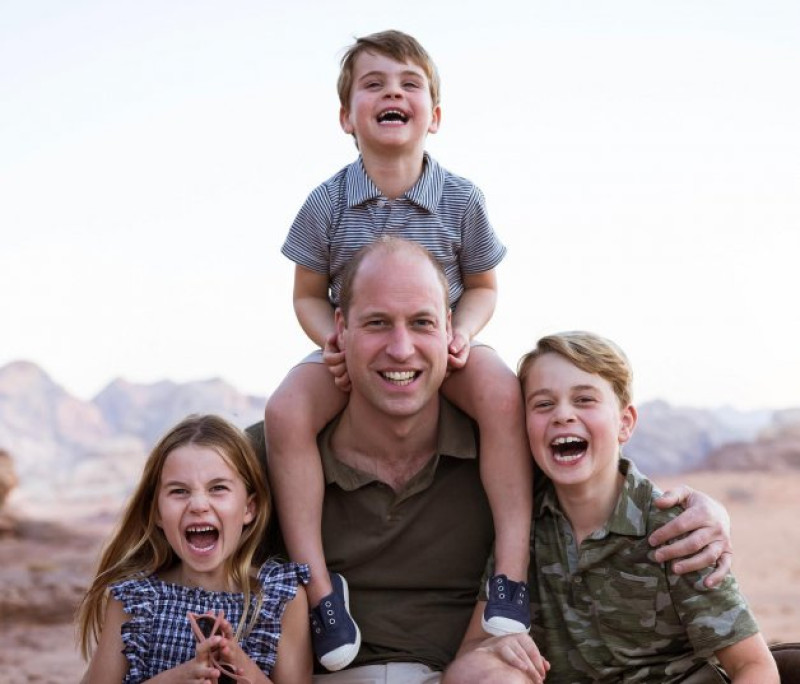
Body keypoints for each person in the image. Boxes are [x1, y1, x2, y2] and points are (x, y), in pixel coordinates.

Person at [250, 237, 735, 683]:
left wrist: (709, 512)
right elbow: (188, 505)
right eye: (377, 323)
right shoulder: (273, 454)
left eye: (422, 323)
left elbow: (597, 485)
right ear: (341, 329)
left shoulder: (506, 453)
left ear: (451, 332)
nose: (401, 348)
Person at [264, 29, 533, 671]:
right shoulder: (327, 202)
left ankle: (512, 573)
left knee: (501, 391)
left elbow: (484, 285)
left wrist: (462, 331)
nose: (393, 93)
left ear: (434, 116)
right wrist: (327, 336)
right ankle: (323, 592)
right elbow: (305, 293)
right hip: (354, 348)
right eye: (374, 84)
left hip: (441, 344)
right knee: (285, 412)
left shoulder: (461, 199)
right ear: (345, 116)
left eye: (410, 84)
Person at [449, 332, 779, 683]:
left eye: (584, 400)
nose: (563, 415)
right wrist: (495, 649)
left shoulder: (673, 529)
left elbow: (753, 666)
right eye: (543, 404)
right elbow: (471, 659)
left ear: (625, 423)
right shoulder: (522, 527)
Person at [77, 414, 312, 684]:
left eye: (218, 488)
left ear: (249, 508)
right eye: (179, 491)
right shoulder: (135, 599)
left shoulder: (280, 598)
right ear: (157, 513)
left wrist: (237, 662)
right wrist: (174, 680)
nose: (199, 504)